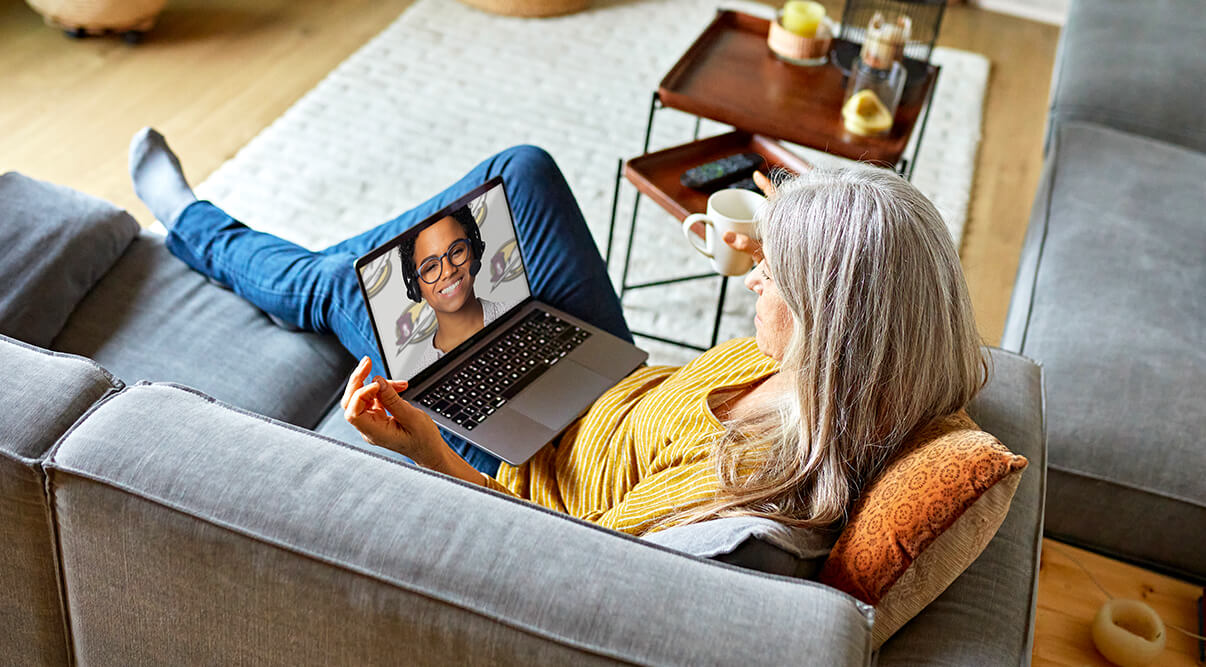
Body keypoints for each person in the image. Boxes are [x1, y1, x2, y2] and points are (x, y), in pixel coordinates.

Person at [129, 127, 986, 540]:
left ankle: (195, 223)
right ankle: (324, 267)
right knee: (524, 170)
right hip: (610, 378)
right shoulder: (858, 370)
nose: (756, 272)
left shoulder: (749, 477)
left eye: (776, 274)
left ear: (831, 323)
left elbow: (560, 558)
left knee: (337, 286)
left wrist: (429, 445)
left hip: (525, 459)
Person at [397, 206, 507, 369]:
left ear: (474, 250)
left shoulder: (515, 311)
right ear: (415, 287)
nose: (448, 271)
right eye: (431, 267)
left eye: (456, 251)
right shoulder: (420, 373)